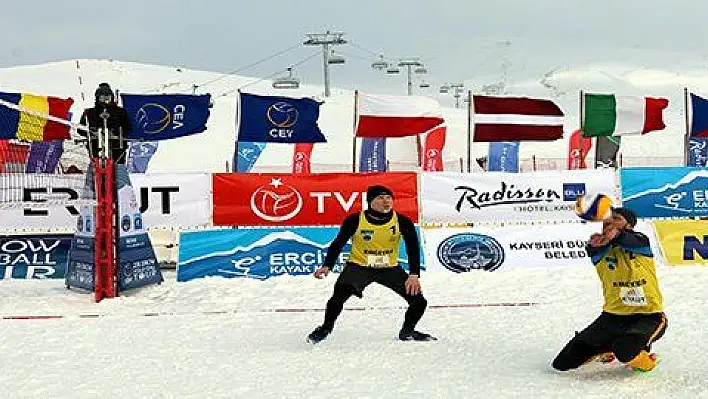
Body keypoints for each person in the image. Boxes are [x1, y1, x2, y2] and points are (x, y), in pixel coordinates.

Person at [307, 185, 435, 344]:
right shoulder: (355, 219)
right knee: (337, 298)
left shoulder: (402, 221)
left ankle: (407, 331)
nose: (386, 201)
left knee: (419, 302)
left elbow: (413, 248)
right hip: (359, 267)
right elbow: (338, 243)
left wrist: (414, 274)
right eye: (381, 198)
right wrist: (327, 265)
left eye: (389, 198)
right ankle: (325, 328)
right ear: (370, 202)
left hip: (389, 269)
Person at [552, 207, 667, 373]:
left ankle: (648, 361)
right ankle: (606, 350)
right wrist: (595, 245)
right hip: (612, 317)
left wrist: (618, 235)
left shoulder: (640, 241)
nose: (609, 222)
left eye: (616, 218)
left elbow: (630, 241)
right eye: (606, 219)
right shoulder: (599, 246)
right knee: (562, 363)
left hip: (648, 316)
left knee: (625, 350)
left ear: (629, 225)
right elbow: (594, 250)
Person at [77, 83, 132, 164]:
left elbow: (128, 128)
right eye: (102, 98)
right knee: (95, 168)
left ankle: (120, 174)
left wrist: (116, 132)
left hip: (117, 147)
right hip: (95, 147)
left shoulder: (120, 112)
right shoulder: (89, 113)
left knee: (119, 170)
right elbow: (80, 129)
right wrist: (92, 132)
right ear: (97, 98)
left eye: (108, 98)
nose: (105, 101)